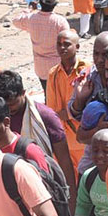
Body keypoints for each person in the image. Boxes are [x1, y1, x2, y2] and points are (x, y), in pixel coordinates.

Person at [0, 70, 77, 193]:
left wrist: (71, 199)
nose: (10, 109)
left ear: (23, 93)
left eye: (14, 103)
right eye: (6, 105)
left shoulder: (45, 116)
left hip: (42, 187)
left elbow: (64, 160)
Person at [46, 28, 90, 169]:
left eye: (67, 44)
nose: (62, 48)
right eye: (59, 44)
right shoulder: (53, 73)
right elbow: (51, 111)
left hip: (82, 138)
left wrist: (68, 114)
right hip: (62, 139)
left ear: (77, 47)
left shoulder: (86, 70)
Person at [12, 0, 70, 90]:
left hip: (40, 67)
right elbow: (68, 41)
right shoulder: (60, 21)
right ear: (55, 4)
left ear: (40, 2)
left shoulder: (31, 18)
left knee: (47, 93)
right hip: (57, 66)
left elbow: (16, 20)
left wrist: (30, 9)